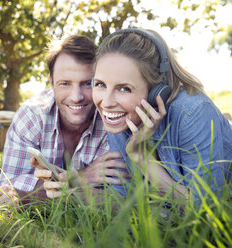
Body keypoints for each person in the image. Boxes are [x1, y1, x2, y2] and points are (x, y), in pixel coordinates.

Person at [90, 28, 232, 204]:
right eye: (100, 84)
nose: (106, 102)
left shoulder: (192, 112)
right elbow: (123, 198)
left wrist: (143, 160)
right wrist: (70, 189)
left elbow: (205, 209)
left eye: (124, 88)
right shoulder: (118, 118)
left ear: (157, 91)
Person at [0, 35, 131, 207]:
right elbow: (9, 186)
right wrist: (81, 178)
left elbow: (117, 199)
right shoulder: (32, 115)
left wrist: (31, 195)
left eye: (87, 83)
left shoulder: (112, 119)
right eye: (65, 84)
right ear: (51, 83)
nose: (76, 97)